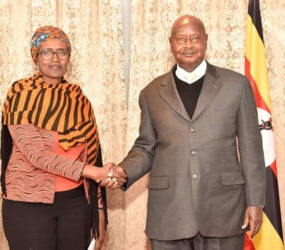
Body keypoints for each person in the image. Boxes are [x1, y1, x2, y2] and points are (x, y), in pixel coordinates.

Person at [105, 15, 266, 250]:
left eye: (195, 38)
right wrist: (122, 171)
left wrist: (255, 201)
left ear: (206, 41)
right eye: (181, 39)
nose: (188, 45)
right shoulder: (150, 93)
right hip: (169, 214)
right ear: (171, 43)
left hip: (224, 211)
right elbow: (146, 147)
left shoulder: (236, 85)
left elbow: (251, 148)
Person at [0, 25, 124, 250]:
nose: (55, 58)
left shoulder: (80, 101)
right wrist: (96, 172)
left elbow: (92, 156)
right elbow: (37, 156)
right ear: (35, 56)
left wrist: (98, 215)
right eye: (47, 52)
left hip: (76, 204)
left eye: (62, 52)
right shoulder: (20, 94)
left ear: (69, 57)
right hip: (28, 205)